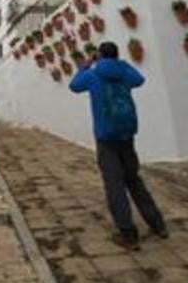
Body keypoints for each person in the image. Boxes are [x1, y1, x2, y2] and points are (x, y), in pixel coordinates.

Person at [69, 41, 168, 250]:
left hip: (106, 137)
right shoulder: (124, 73)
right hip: (127, 135)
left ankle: (128, 234)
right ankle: (158, 225)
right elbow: (140, 79)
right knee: (134, 180)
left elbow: (74, 86)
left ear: (98, 55)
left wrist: (85, 65)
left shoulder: (93, 75)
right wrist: (121, 63)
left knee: (114, 185)